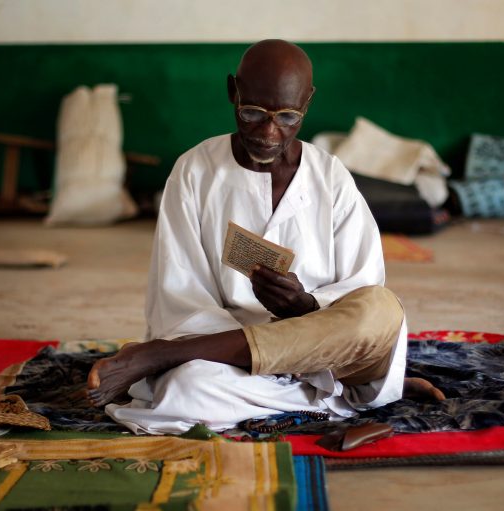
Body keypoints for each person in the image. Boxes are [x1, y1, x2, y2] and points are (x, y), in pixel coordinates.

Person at [87, 39, 409, 434]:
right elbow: (181, 300)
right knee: (186, 390)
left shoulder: (330, 176)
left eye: (289, 117)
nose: (269, 133)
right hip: (226, 357)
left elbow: (364, 290)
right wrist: (264, 348)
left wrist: (305, 306)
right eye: (253, 112)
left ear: (307, 103)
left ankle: (156, 357)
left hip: (326, 351)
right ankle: (330, 402)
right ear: (232, 92)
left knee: (382, 310)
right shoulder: (194, 172)